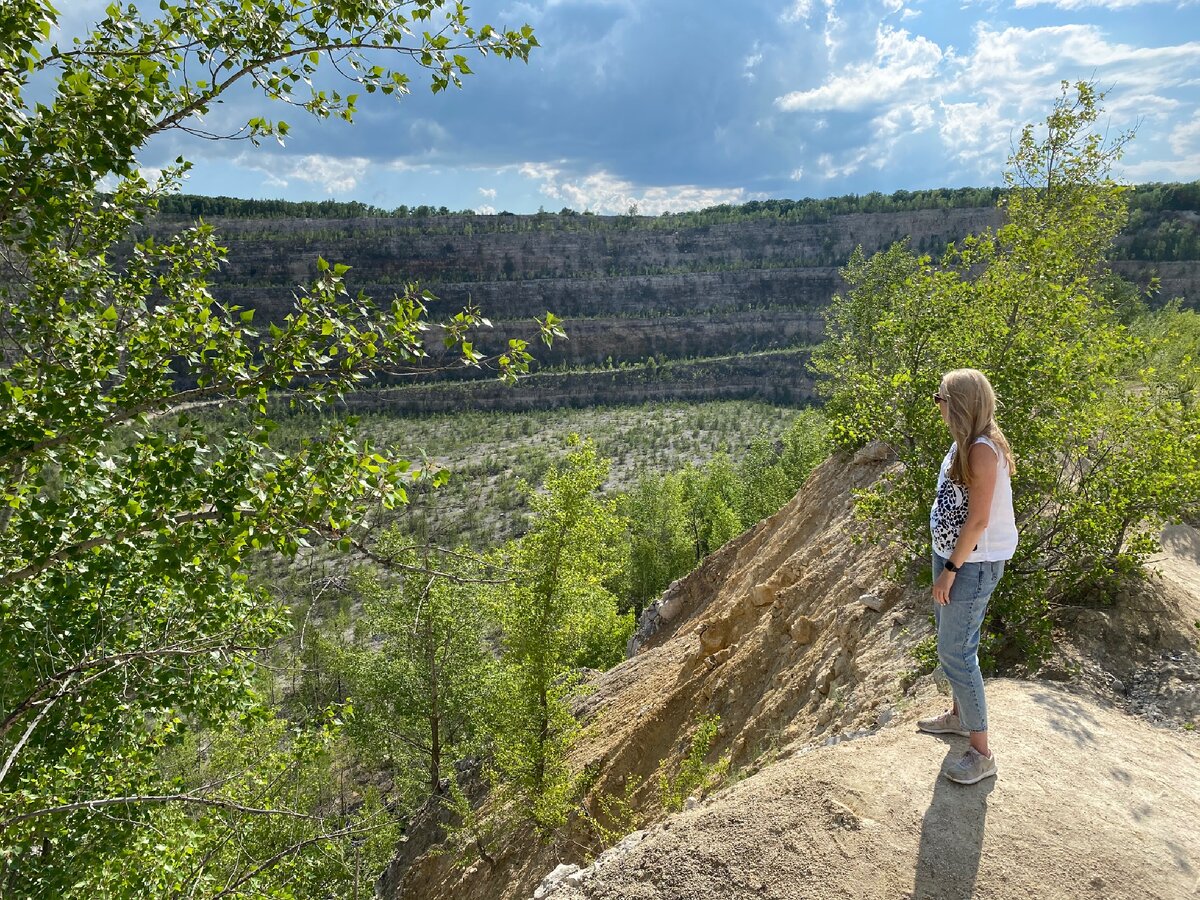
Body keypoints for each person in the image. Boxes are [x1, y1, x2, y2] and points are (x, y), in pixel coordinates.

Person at [917, 368, 1018, 785]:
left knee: (956, 652)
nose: (937, 405)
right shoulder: (967, 444)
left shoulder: (981, 450)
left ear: (957, 403)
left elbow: (977, 521)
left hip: (972, 564)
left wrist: (950, 571)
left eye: (940, 398)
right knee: (952, 641)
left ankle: (981, 752)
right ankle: (959, 718)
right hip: (954, 558)